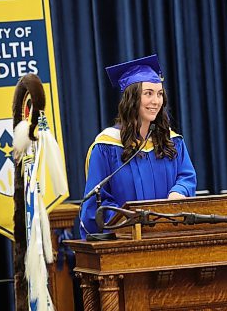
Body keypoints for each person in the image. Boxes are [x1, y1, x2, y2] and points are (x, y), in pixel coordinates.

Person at [80, 54, 197, 239]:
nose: (156, 101)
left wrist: (179, 191)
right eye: (148, 93)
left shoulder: (172, 141)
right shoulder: (107, 146)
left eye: (159, 94)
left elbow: (186, 176)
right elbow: (97, 200)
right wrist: (126, 221)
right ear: (132, 98)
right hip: (126, 243)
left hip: (169, 238)